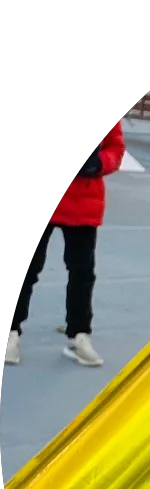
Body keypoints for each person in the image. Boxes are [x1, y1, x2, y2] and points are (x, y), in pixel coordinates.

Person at [6, 120, 124, 367]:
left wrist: (99, 163)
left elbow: (116, 148)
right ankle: (11, 331)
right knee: (27, 268)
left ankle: (78, 335)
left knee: (83, 273)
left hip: (84, 203)